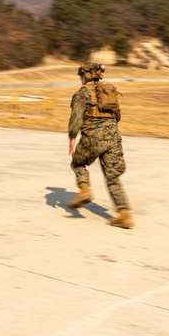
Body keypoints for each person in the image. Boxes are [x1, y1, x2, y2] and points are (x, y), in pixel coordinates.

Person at [67, 61, 133, 229]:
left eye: (82, 75)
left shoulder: (82, 93)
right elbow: (117, 117)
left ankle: (85, 191)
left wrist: (72, 138)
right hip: (113, 139)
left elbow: (76, 118)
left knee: (77, 163)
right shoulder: (110, 92)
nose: (81, 78)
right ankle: (124, 214)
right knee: (112, 177)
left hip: (93, 139)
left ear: (86, 76)